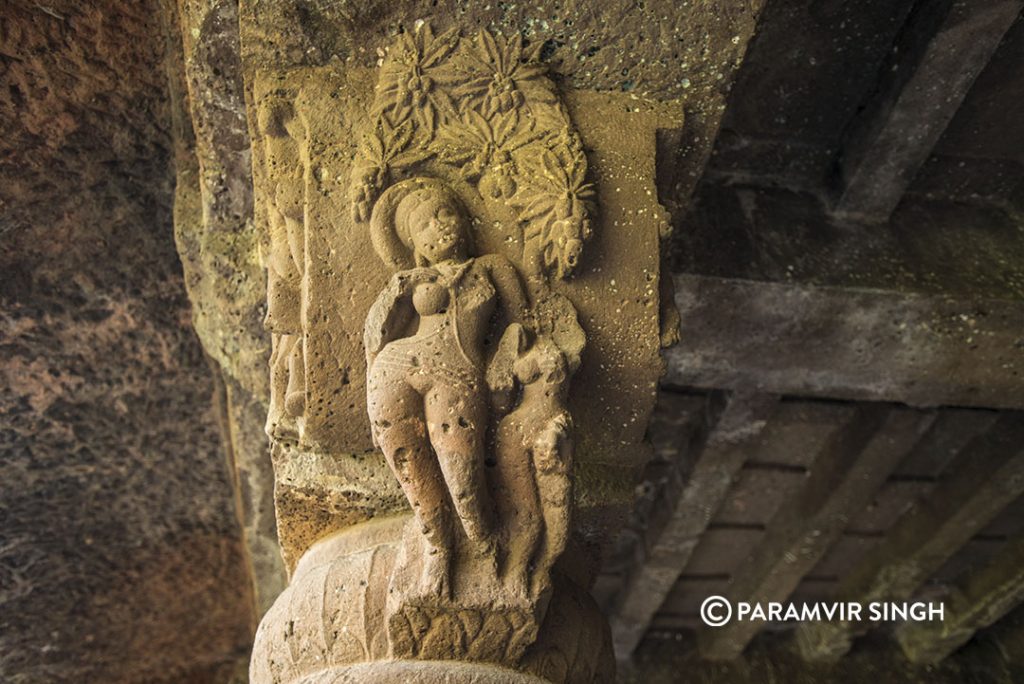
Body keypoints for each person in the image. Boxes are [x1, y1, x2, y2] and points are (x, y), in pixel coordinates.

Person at [364, 177, 530, 597]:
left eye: (446, 213)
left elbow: (523, 323)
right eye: (427, 224)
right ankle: (438, 544)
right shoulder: (414, 279)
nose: (441, 226)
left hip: (456, 372)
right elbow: (375, 336)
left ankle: (480, 540)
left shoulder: (491, 267)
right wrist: (394, 290)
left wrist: (505, 359)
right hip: (396, 366)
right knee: (411, 467)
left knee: (461, 470)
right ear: (416, 244)